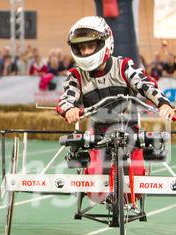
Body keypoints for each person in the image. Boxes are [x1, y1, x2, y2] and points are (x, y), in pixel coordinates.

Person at [56, 16, 175, 202]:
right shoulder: (76, 75)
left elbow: (146, 85)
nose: (86, 51)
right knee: (95, 193)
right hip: (97, 136)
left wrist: (164, 104)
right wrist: (69, 109)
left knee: (133, 191)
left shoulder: (124, 66)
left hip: (131, 133)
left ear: (105, 42)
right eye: (82, 47)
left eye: (91, 46)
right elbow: (66, 98)